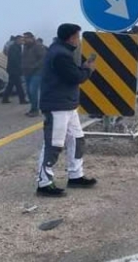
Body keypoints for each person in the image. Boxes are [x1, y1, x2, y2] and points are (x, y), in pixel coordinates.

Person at [35, 23, 97, 197]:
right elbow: (74, 77)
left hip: (67, 105)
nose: (79, 39)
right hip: (57, 106)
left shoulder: (62, 51)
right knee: (53, 144)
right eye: (78, 36)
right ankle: (44, 183)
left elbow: (71, 72)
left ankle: (75, 175)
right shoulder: (60, 55)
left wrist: (82, 67)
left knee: (77, 139)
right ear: (71, 37)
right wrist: (88, 70)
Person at [22, 32, 46, 117]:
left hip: (37, 72)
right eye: (24, 38)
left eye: (26, 38)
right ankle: (33, 107)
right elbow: (24, 58)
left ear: (32, 38)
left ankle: (35, 110)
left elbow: (43, 58)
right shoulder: (25, 47)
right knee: (28, 91)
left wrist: (34, 66)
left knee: (33, 90)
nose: (24, 39)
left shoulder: (38, 46)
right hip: (27, 72)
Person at [1, 35, 28, 104]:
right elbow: (14, 59)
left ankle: (5, 98)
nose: (22, 41)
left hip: (13, 69)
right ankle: (22, 100)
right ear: (17, 40)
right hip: (14, 69)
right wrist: (20, 67)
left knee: (11, 84)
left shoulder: (17, 47)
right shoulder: (14, 47)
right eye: (21, 40)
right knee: (18, 85)